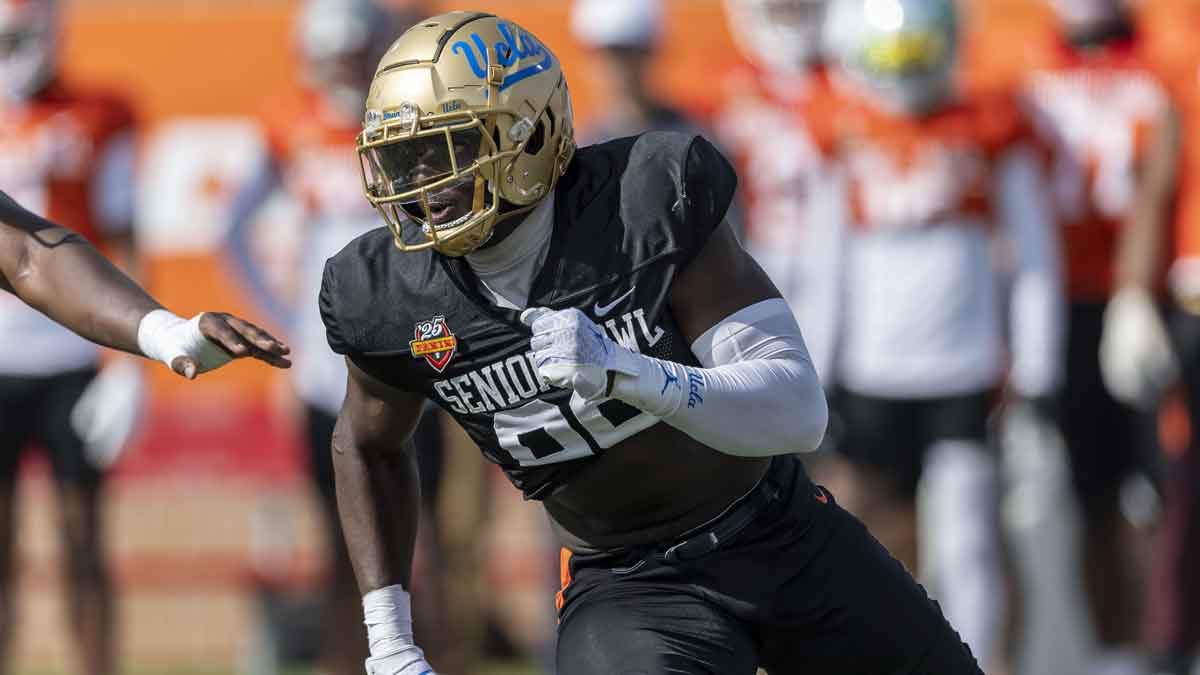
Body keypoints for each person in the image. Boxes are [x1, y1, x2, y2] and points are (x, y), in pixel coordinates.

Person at [321, 11, 981, 674]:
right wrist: (390, 639)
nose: (422, 184)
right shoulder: (386, 292)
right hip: (629, 583)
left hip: (777, 528)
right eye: (404, 158)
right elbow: (366, 442)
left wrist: (629, 373)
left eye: (450, 148)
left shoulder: (646, 201)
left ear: (530, 132)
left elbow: (797, 409)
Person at [0, 3, 281, 674]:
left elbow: (38, 254)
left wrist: (143, 349)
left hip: (71, 350)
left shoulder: (101, 112)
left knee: (81, 540)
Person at [816, 0, 1064, 669]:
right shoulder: (843, 126)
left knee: (970, 541)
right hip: (873, 367)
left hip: (963, 367)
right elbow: (826, 259)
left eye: (916, 56)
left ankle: (975, 664)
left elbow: (1035, 255)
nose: (906, 75)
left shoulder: (989, 124)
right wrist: (818, 366)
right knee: (879, 540)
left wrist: (1039, 366)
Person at [223, 2, 457, 673]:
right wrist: (283, 322)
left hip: (415, 363)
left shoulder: (410, 117)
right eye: (335, 53)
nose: (344, 66)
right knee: (337, 543)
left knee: (425, 543)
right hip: (328, 371)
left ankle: (439, 659)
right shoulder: (286, 123)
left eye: (354, 51)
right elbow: (231, 230)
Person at [1012, 1, 1182, 671]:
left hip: (1157, 301)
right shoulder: (1014, 63)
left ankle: (1161, 646)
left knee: (1163, 492)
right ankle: (1117, 657)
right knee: (1091, 494)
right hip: (1061, 307)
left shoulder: (1169, 59)